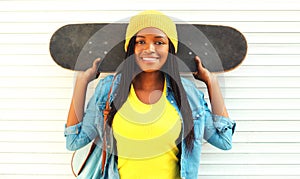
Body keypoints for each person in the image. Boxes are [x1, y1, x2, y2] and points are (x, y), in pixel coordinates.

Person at [64, 10, 236, 179]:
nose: (150, 49)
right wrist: (82, 82)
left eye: (159, 42)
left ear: (170, 50)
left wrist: (212, 83)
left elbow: (224, 140)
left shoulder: (187, 93)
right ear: (131, 48)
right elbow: (74, 141)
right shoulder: (109, 90)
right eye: (141, 42)